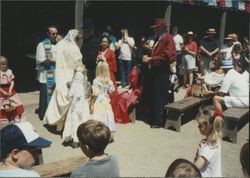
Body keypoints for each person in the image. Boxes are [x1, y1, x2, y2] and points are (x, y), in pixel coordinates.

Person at [44, 29, 83, 131]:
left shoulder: (60, 45)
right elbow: (78, 62)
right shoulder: (74, 48)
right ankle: (69, 124)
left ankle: (60, 125)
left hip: (62, 74)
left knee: (62, 95)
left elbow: (54, 56)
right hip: (72, 74)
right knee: (72, 97)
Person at [142, 18, 176, 128]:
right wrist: (149, 55)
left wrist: (151, 59)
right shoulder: (159, 38)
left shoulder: (168, 38)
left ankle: (158, 120)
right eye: (154, 28)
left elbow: (167, 56)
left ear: (162, 27)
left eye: (156, 28)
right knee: (154, 94)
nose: (154, 30)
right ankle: (154, 117)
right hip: (155, 70)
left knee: (160, 95)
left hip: (162, 71)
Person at [62, 64, 91, 148]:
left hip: (75, 106)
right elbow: (88, 95)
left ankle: (74, 137)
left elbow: (69, 95)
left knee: (74, 120)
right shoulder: (87, 84)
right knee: (81, 120)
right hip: (83, 106)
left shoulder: (72, 84)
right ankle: (79, 138)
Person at [35, 25, 58, 120]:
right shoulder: (42, 45)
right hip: (46, 73)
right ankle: (43, 113)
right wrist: (51, 61)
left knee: (54, 94)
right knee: (45, 95)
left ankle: (52, 113)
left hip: (56, 72)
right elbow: (40, 59)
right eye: (53, 33)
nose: (55, 35)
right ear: (48, 34)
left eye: (56, 33)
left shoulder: (58, 44)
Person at [193, 105, 223, 177]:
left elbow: (197, 166)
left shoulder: (209, 147)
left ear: (209, 126)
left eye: (200, 125)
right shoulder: (212, 141)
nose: (198, 127)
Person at [96, 35, 120, 123]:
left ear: (108, 43)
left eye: (106, 42)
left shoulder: (111, 52)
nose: (104, 43)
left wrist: (105, 61)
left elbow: (114, 65)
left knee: (111, 94)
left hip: (109, 74)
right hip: (100, 74)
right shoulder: (99, 51)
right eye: (103, 42)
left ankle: (112, 114)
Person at [91, 61, 116, 139]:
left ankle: (97, 134)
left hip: (98, 100)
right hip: (106, 100)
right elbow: (112, 90)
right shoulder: (109, 81)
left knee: (98, 115)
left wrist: (91, 102)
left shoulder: (95, 81)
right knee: (108, 116)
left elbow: (95, 93)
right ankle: (108, 134)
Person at [0, 56, 25, 124]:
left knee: (15, 103)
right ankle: (5, 119)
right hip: (1, 90)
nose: (4, 66)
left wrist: (10, 90)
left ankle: (15, 117)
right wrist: (3, 92)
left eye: (5, 64)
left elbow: (12, 82)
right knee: (4, 105)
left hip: (9, 89)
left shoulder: (9, 71)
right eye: (2, 64)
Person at [81, 19, 99, 84]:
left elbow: (93, 59)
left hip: (91, 71)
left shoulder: (94, 42)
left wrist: (81, 60)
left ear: (92, 31)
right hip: (85, 69)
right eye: (84, 31)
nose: (84, 33)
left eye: (87, 31)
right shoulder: (86, 41)